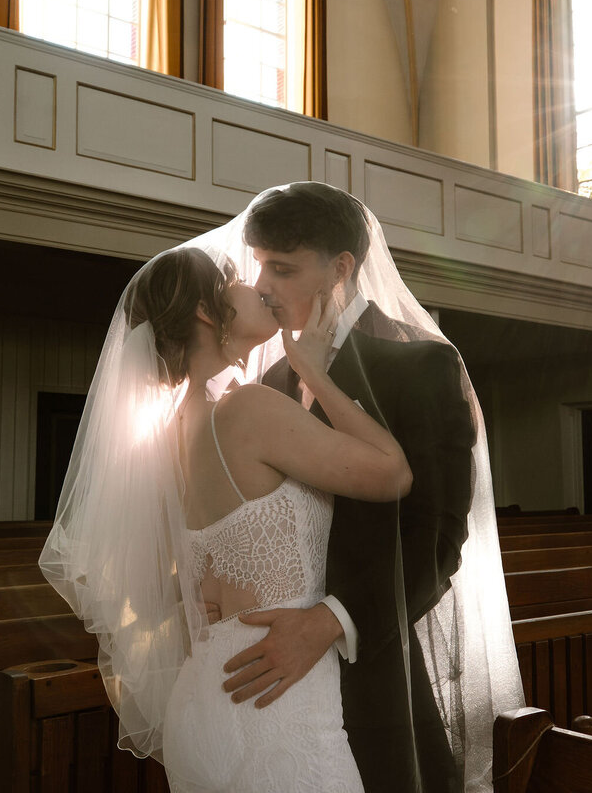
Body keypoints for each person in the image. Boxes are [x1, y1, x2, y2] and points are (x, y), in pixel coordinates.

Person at [41, 182, 523, 793]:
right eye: (258, 265)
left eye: (282, 267)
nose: (263, 282)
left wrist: (330, 621)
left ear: (340, 268)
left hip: (369, 678)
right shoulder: (264, 383)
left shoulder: (419, 365)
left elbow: (439, 537)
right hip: (262, 696)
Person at [41, 244, 411, 791]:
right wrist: (316, 372)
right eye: (237, 279)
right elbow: (393, 474)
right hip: (276, 708)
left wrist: (197, 595)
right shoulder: (247, 409)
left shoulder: (169, 436)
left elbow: (145, 593)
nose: (258, 285)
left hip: (202, 706)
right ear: (206, 312)